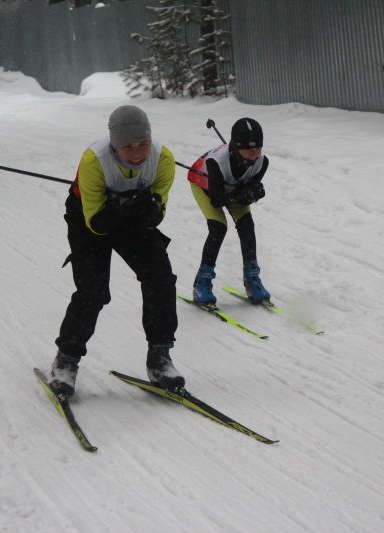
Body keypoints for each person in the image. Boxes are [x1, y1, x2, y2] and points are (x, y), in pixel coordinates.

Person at [48, 105, 183, 399]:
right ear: (114, 145)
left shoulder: (163, 159)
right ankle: (66, 359)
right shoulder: (94, 160)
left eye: (143, 144)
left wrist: (148, 211)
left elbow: (159, 211)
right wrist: (122, 209)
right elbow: (96, 223)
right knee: (93, 290)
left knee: (160, 278)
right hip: (89, 219)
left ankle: (160, 356)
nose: (136, 153)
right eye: (127, 147)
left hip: (132, 219)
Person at [187, 117, 271, 305]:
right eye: (249, 150)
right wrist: (243, 195)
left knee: (247, 226)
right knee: (218, 228)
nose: (255, 155)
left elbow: (250, 187)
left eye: (258, 149)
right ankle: (202, 284)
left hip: (232, 189)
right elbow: (217, 200)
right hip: (204, 187)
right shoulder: (216, 162)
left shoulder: (262, 162)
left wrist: (253, 194)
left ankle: (252, 280)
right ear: (236, 148)